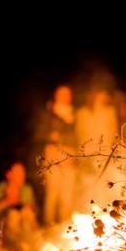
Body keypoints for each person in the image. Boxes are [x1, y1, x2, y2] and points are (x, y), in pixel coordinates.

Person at [41, 84, 76, 225]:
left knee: (67, 192)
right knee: (53, 191)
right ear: (56, 95)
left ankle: (64, 225)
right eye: (61, 94)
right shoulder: (49, 112)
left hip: (69, 152)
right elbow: (42, 133)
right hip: (53, 152)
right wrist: (51, 138)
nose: (65, 97)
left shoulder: (74, 113)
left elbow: (78, 135)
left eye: (67, 94)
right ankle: (49, 224)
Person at [0, 162, 38, 245]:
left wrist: (20, 202)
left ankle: (33, 243)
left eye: (23, 172)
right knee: (13, 215)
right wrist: (6, 201)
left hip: (24, 227)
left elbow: (34, 210)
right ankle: (12, 246)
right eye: (18, 173)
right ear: (8, 174)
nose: (22, 176)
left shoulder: (27, 189)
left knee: (27, 213)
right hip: (3, 229)